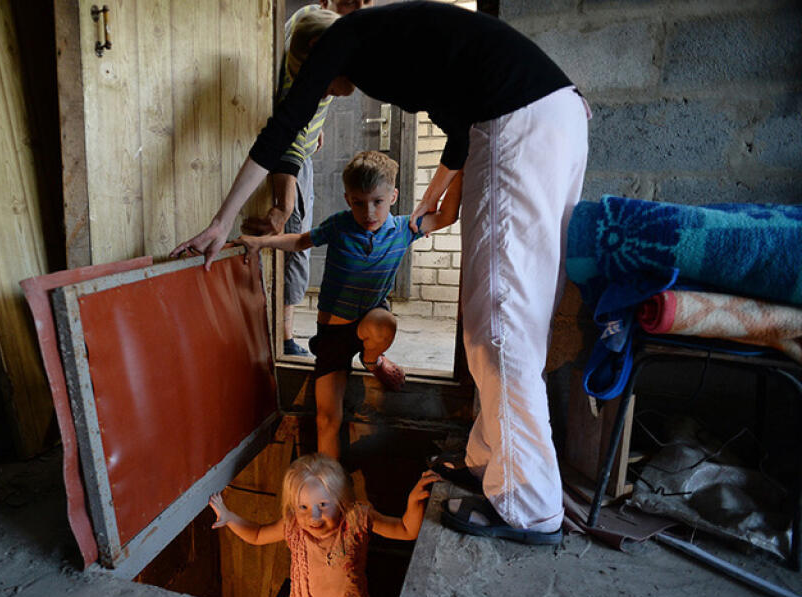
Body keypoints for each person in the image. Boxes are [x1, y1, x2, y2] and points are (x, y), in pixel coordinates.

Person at [172, 1, 588, 545]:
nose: (324, 92)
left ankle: (530, 508)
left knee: (502, 324)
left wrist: (220, 221)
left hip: (520, 121)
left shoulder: (342, 40)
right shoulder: (394, 44)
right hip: (541, 120)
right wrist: (429, 200)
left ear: (314, 57)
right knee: (492, 320)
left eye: (317, 81)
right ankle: (488, 464)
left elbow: (282, 133)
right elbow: (459, 140)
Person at [238, 150, 461, 458]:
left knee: (385, 324)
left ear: (393, 196)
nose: (369, 212)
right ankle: (332, 495)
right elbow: (300, 241)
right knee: (327, 419)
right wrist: (261, 243)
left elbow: (448, 215)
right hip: (332, 337)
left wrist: (460, 166)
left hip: (370, 323)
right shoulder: (340, 225)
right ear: (347, 199)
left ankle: (373, 361)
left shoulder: (403, 229)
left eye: (377, 202)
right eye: (359, 202)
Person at [243, 2, 372, 358]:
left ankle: (284, 335)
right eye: (351, 1)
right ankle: (283, 339)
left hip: (301, 147)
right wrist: (284, 203)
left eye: (367, 0)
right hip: (292, 154)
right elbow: (287, 135)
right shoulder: (311, 47)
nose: (361, 7)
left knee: (296, 234)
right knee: (293, 234)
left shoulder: (313, 21)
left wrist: (318, 124)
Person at [209, 455, 440, 597]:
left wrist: (414, 504)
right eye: (303, 507)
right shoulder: (293, 526)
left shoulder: (356, 518)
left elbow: (406, 530)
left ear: (341, 501)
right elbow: (258, 534)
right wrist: (230, 518)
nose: (314, 516)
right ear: (292, 506)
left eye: (323, 504)